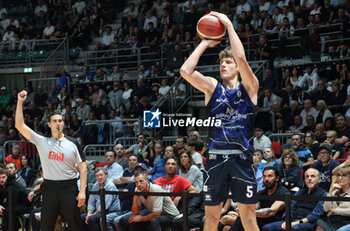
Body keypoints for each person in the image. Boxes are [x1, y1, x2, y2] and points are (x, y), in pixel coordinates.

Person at [180, 11, 259, 231]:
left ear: (236, 67)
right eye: (221, 62)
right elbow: (185, 71)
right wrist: (205, 42)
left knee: (249, 219)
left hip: (242, 159)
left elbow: (241, 58)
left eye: (227, 62)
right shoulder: (212, 87)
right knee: (211, 218)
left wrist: (229, 27)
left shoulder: (250, 87)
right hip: (215, 159)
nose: (223, 65)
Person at [15, 90, 87, 231]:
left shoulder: (73, 143)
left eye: (60, 120)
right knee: (46, 225)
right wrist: (20, 102)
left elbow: (83, 168)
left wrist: (82, 191)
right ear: (49, 124)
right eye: (54, 121)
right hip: (49, 188)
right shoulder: (42, 141)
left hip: (69, 187)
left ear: (63, 123)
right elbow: (19, 125)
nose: (58, 123)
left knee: (75, 225)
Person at [262, 168, 327, 231]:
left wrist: (295, 223)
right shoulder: (299, 192)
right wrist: (287, 221)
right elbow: (291, 207)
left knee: (294, 228)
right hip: (293, 220)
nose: (309, 179)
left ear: (319, 179)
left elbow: (315, 215)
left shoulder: (323, 194)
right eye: (307, 177)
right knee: (267, 228)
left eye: (312, 176)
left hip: (309, 222)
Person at [230, 166, 290, 230]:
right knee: (241, 219)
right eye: (264, 176)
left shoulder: (283, 192)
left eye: (270, 176)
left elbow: (272, 212)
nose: (266, 179)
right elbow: (254, 206)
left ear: (277, 178)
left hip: (275, 221)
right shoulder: (261, 193)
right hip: (261, 219)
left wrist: (248, 212)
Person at [314, 164, 350, 231]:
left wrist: (335, 210)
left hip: (347, 221)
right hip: (332, 220)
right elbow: (326, 209)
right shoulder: (335, 192)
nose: (340, 178)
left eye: (344, 175)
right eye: (338, 175)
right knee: (319, 224)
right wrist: (330, 192)